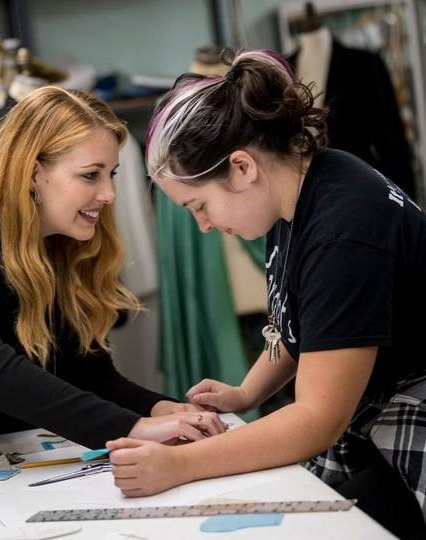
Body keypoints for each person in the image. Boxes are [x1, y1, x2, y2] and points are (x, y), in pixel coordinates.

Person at [107, 49, 426, 539]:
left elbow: (317, 419)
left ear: (241, 167)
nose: (206, 226)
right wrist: (246, 392)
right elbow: (301, 327)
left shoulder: (344, 229)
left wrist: (182, 465)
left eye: (200, 206)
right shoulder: (297, 196)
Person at [0, 86, 226, 454]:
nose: (110, 193)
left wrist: (161, 408)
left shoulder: (56, 237)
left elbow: (86, 369)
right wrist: (136, 427)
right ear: (34, 172)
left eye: (111, 174)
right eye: (91, 175)